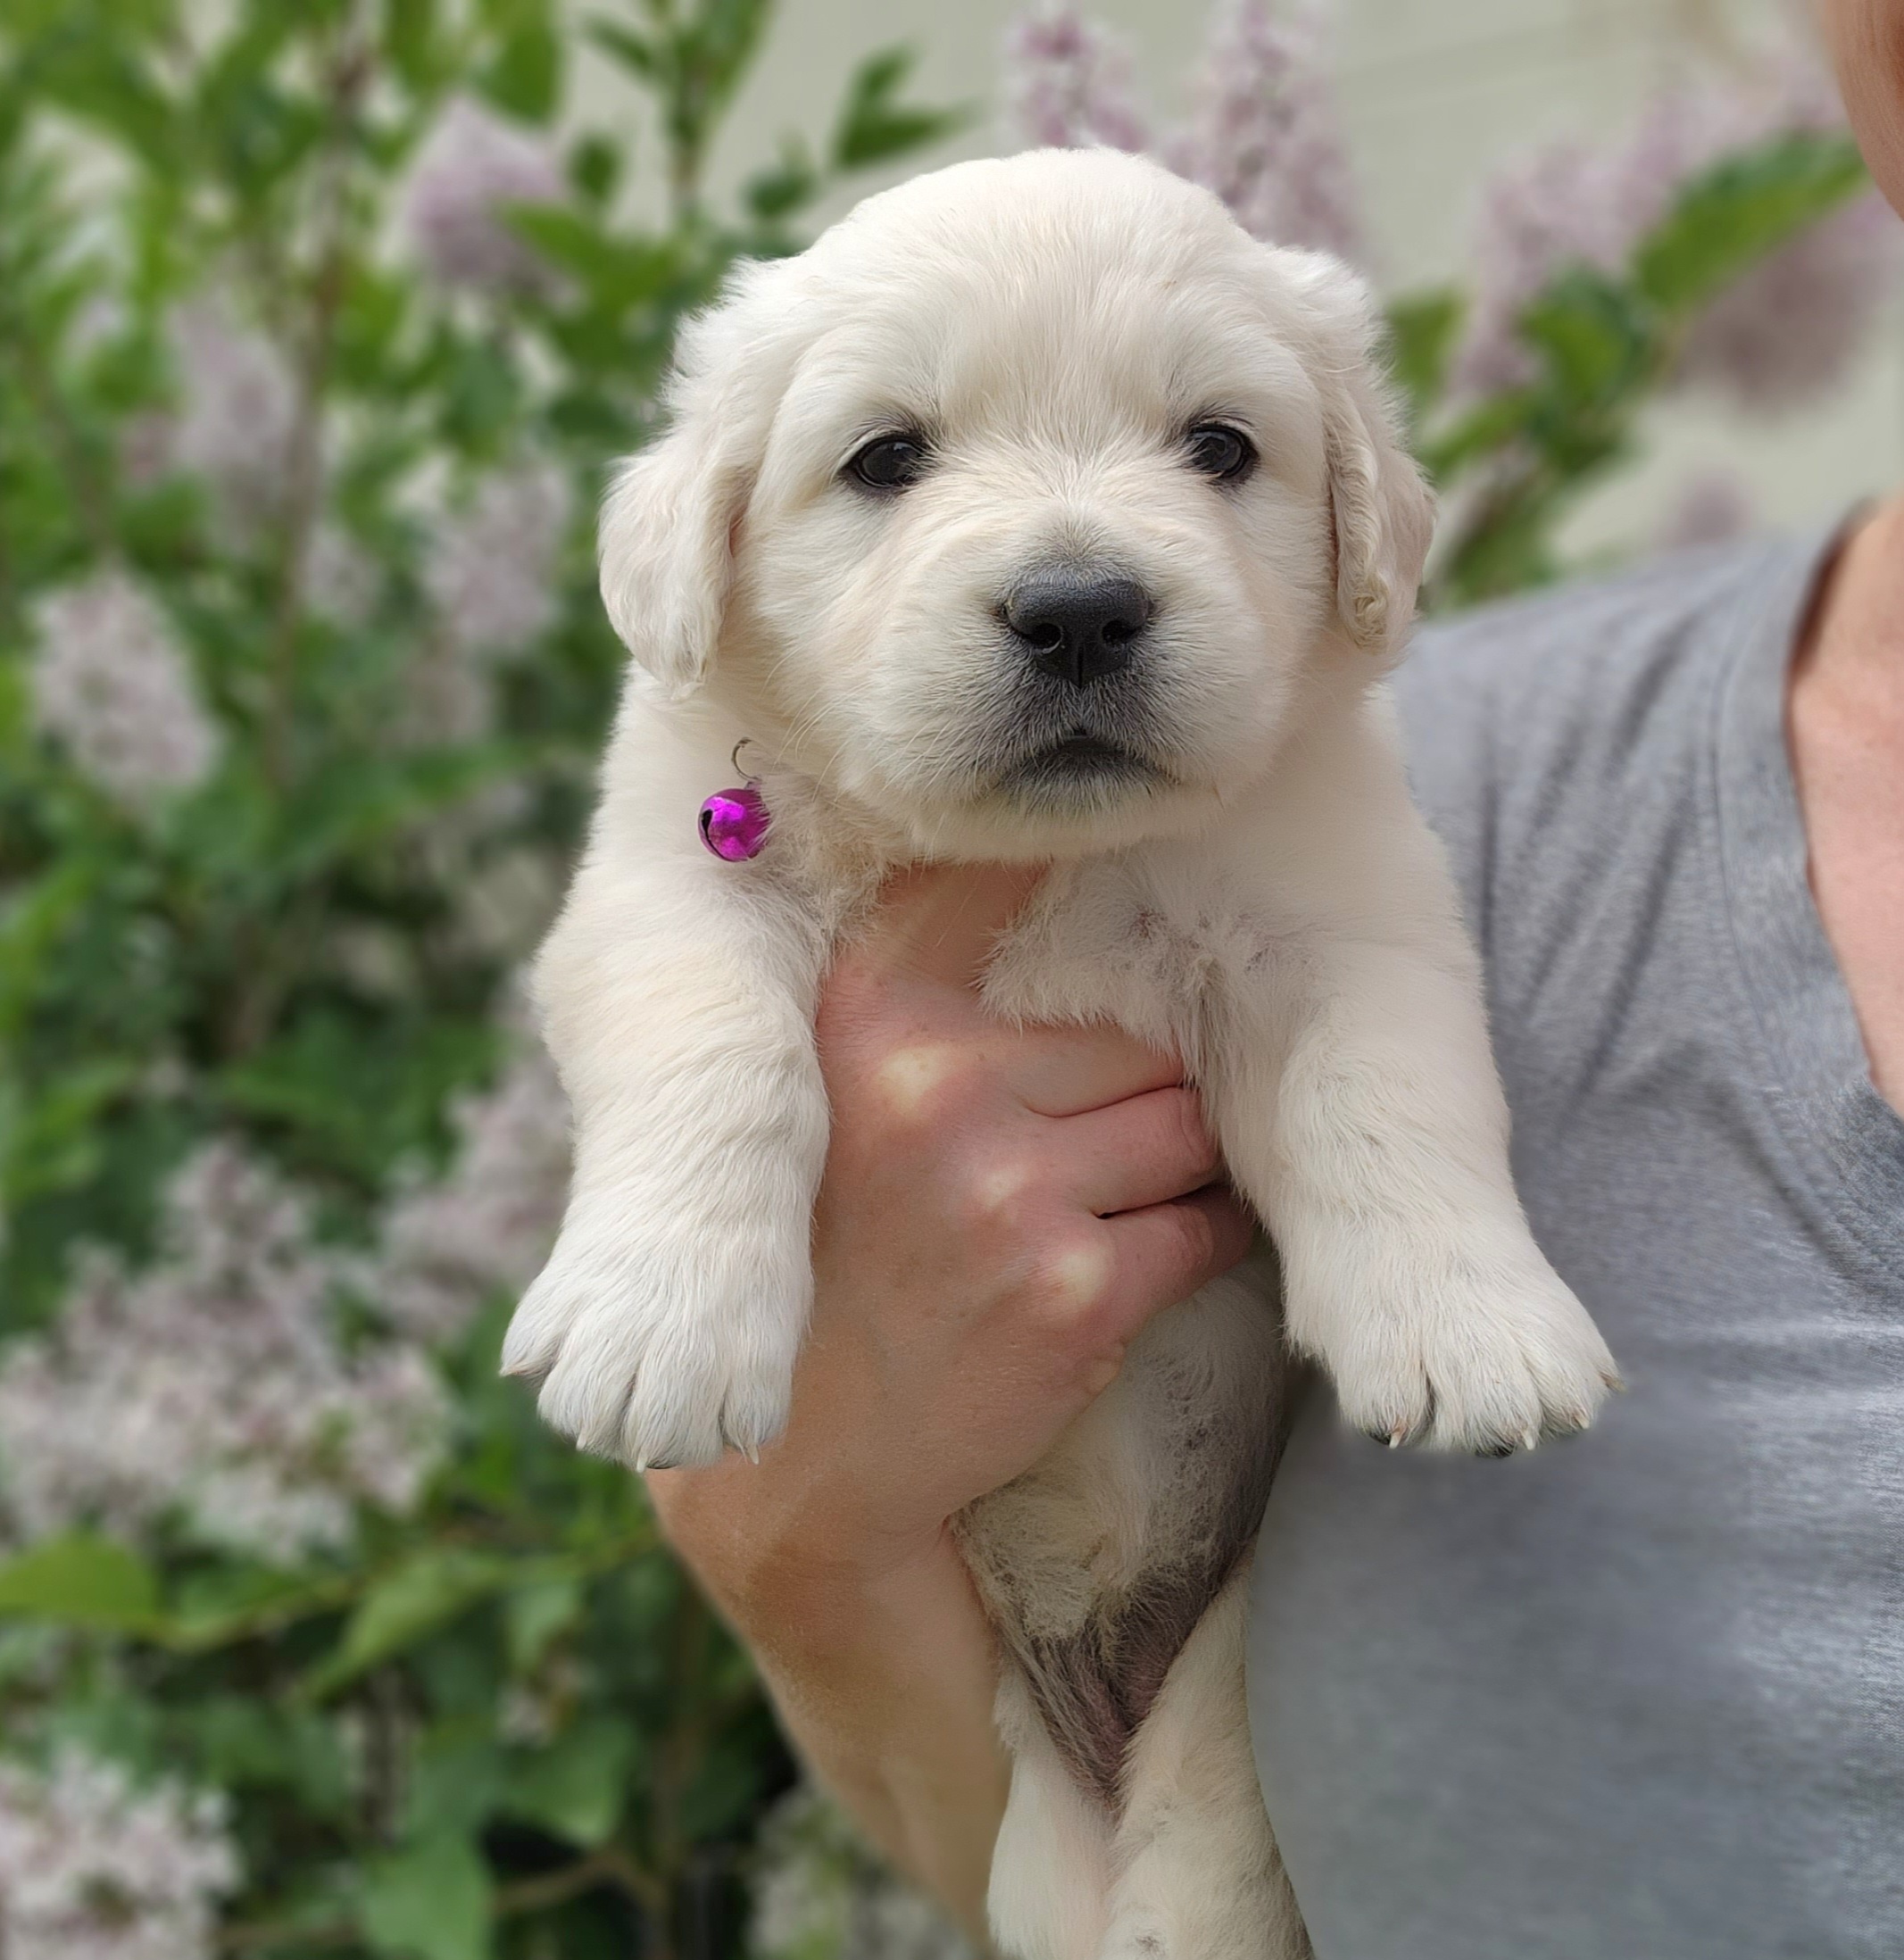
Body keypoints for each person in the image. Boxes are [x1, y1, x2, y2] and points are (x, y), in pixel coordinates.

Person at [647, 3, 1904, 1949]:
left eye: (1213, 446)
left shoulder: (1347, 804)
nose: (1075, 577)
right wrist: (796, 1507)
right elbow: (963, 1833)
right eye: (893, 455)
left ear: (1356, 524)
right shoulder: (1488, 754)